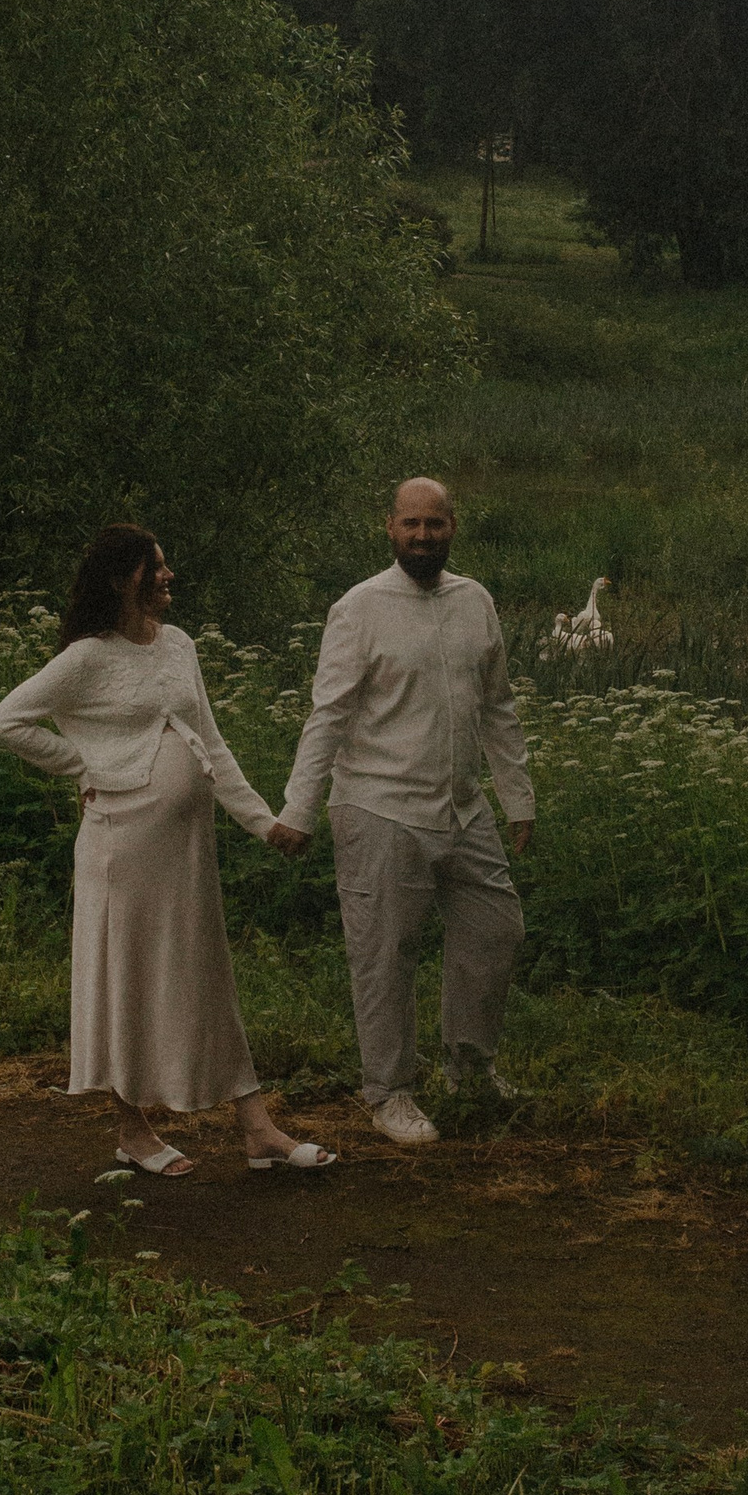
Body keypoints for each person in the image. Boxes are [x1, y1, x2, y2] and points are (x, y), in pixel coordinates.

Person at [0, 523, 333, 1179]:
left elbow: (213, 743)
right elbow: (4, 721)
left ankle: (256, 1129)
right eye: (158, 567)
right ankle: (131, 1129)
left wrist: (263, 822)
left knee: (205, 970)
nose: (170, 576)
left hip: (186, 846)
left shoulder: (179, 646)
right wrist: (84, 766)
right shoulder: (87, 657)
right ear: (124, 580)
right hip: (122, 841)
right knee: (130, 977)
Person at [279, 477, 533, 1145]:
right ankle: (389, 1093)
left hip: (462, 806)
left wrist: (517, 796)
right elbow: (328, 714)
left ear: (454, 526)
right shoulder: (360, 607)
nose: (425, 536)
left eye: (436, 524)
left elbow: (498, 707)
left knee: (496, 930)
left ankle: (470, 1070)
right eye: (412, 524)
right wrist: (299, 810)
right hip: (379, 807)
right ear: (389, 528)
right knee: (385, 952)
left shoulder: (474, 601)